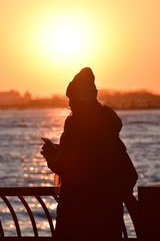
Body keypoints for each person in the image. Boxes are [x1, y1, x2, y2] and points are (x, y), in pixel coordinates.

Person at [41, 67, 138, 241]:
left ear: (79, 100)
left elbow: (67, 166)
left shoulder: (76, 126)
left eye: (72, 99)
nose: (69, 104)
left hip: (77, 218)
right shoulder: (108, 130)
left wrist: (51, 155)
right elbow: (128, 174)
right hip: (108, 219)